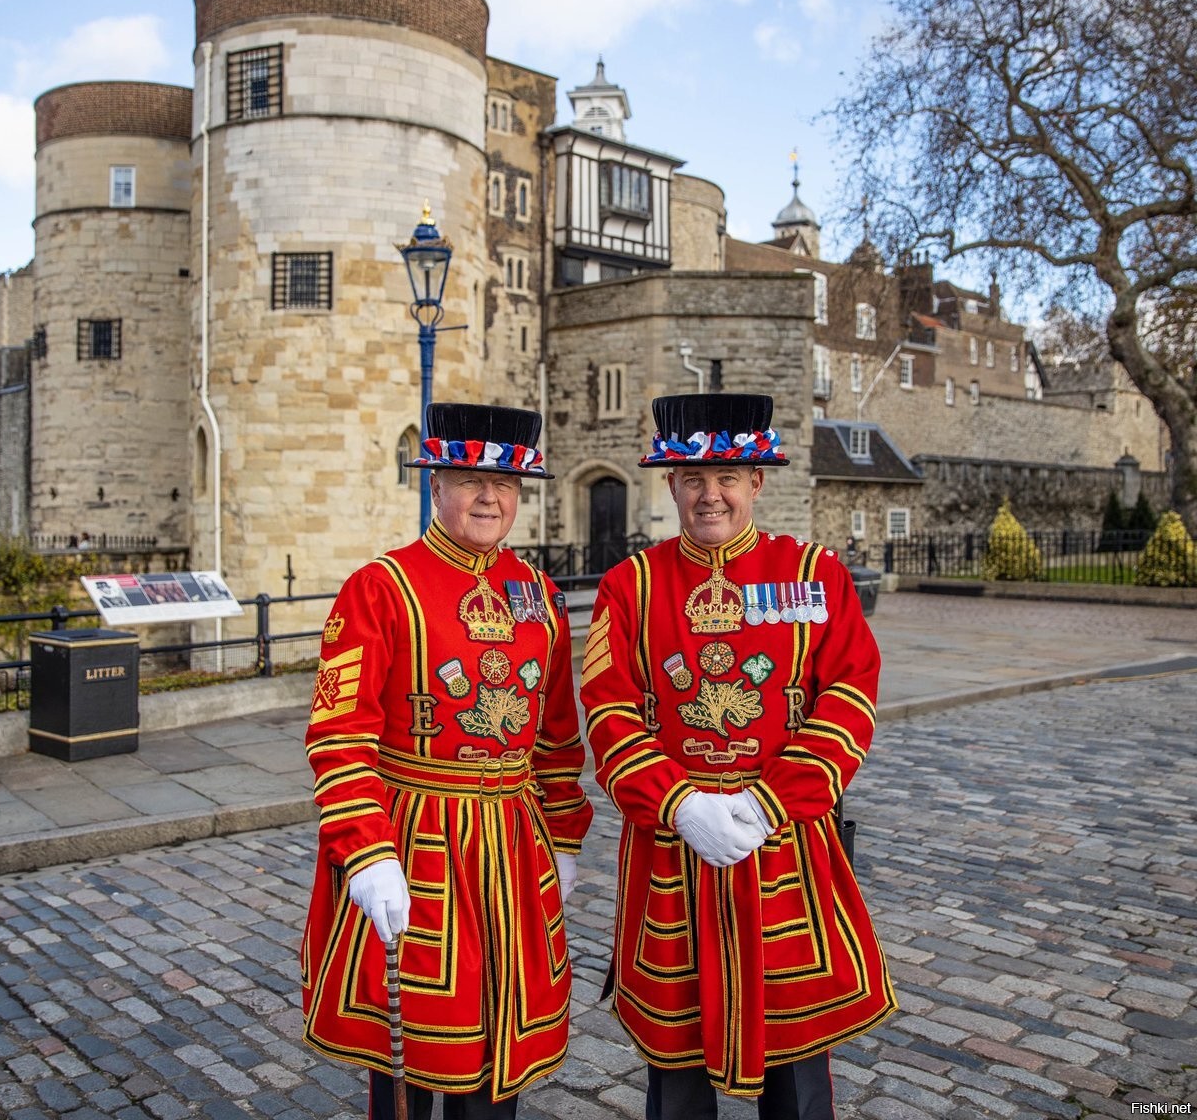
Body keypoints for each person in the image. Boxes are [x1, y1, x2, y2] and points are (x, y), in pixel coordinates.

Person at [580, 393, 896, 1120]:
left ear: (758, 481)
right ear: (670, 484)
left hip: (783, 841)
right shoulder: (631, 585)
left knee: (797, 1062)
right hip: (671, 846)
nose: (710, 493)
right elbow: (608, 709)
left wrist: (770, 801)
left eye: (727, 476)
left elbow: (849, 693)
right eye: (693, 479)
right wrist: (679, 803)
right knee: (676, 1059)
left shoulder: (812, 573)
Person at [301, 403, 593, 1120]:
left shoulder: (539, 595)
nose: (489, 497)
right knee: (414, 1050)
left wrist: (562, 835)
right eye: (469, 479)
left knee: (500, 1047)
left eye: (507, 482)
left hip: (514, 846)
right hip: (416, 840)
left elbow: (557, 736)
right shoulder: (381, 586)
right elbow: (338, 734)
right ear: (436, 482)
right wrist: (366, 853)